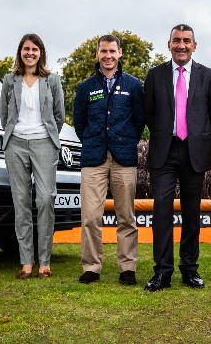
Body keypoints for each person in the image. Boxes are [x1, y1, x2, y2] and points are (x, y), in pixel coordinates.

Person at [143, 23, 211, 291]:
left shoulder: (208, 76)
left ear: (194, 45)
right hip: (165, 151)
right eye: (176, 40)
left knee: (191, 213)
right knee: (162, 211)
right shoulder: (154, 75)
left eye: (186, 40)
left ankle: (190, 269)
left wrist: (200, 137)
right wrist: (166, 133)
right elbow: (149, 113)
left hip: (194, 151)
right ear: (169, 44)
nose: (181, 45)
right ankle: (162, 272)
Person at [73, 34, 144, 285]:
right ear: (97, 54)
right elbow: (79, 123)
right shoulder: (85, 88)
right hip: (94, 158)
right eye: (103, 51)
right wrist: (93, 140)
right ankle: (91, 267)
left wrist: (125, 140)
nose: (108, 56)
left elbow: (139, 121)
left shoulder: (134, 85)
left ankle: (127, 267)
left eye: (112, 51)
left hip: (124, 157)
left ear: (120, 53)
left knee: (126, 216)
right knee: (91, 216)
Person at [0, 33, 65, 279]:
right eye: (26, 49)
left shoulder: (52, 81)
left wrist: (48, 138)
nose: (30, 53)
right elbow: (5, 116)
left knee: (45, 199)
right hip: (15, 144)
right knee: (21, 202)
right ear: (20, 52)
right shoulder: (9, 80)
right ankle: (26, 262)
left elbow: (59, 115)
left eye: (34, 49)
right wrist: (13, 138)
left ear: (41, 53)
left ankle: (45, 261)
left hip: (43, 143)